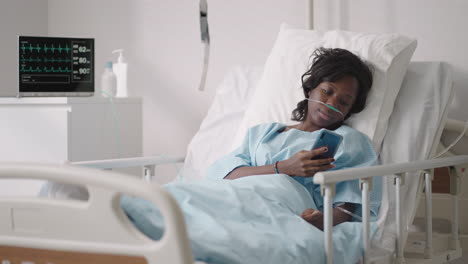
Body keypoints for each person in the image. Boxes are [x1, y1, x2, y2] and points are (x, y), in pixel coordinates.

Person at [205, 47, 379, 230]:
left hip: (282, 211)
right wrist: (284, 167)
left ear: (349, 111)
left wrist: (324, 221)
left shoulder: (348, 140)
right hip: (232, 197)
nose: (331, 104)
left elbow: (349, 203)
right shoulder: (262, 133)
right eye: (327, 91)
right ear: (310, 89)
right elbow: (226, 174)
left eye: (343, 102)